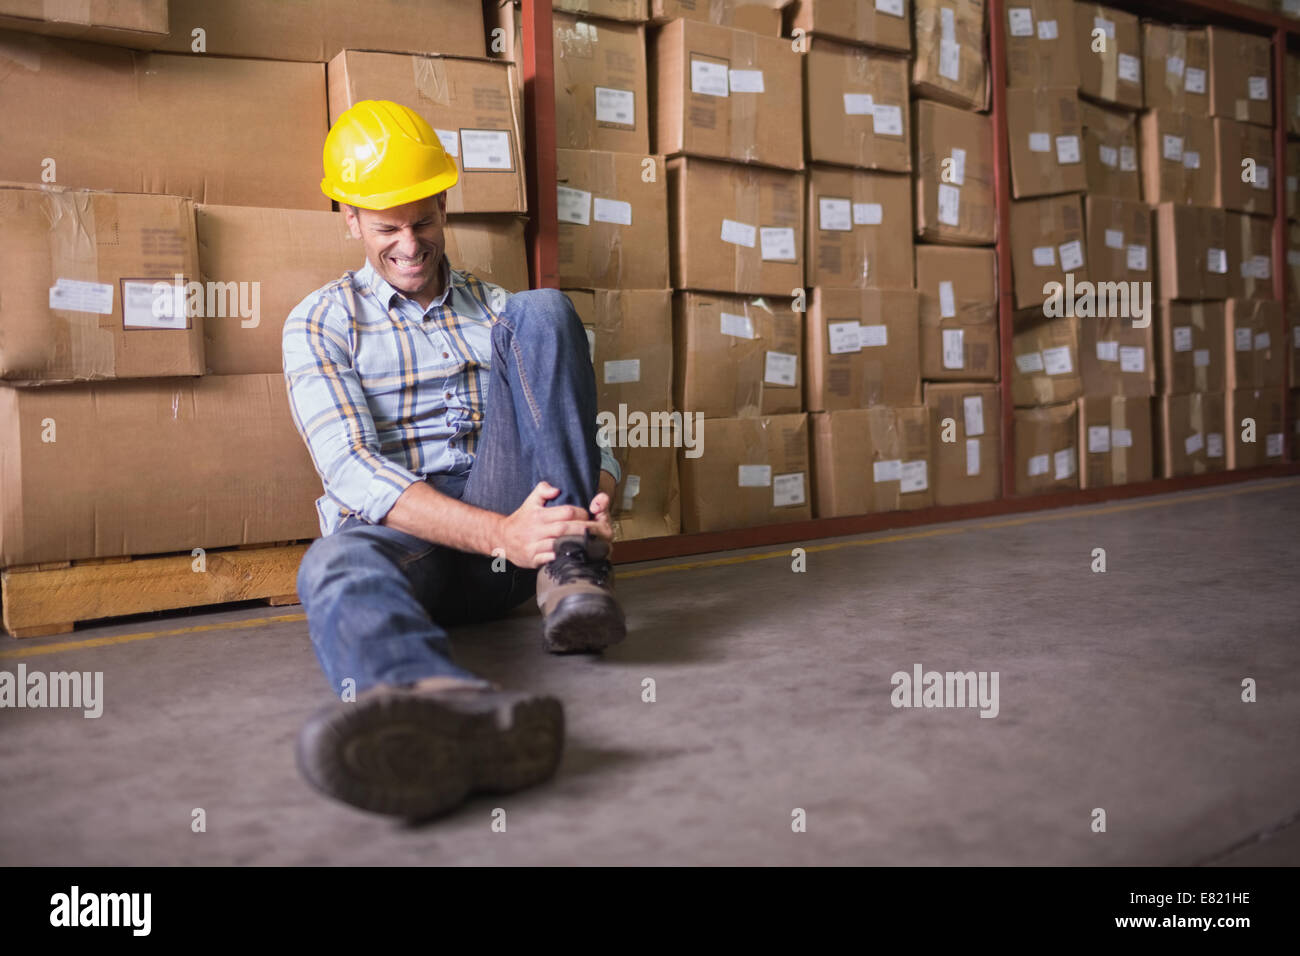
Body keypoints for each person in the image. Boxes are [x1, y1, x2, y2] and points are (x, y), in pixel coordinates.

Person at [282, 99, 627, 819]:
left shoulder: (499, 310)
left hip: (524, 537)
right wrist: (498, 535)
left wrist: (594, 495)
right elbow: (348, 468)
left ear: (444, 205)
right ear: (348, 217)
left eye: (424, 221)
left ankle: (573, 571)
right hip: (419, 547)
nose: (410, 244)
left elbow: (593, 441)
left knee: (544, 309)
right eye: (387, 229)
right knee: (331, 563)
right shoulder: (321, 321)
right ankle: (439, 705)